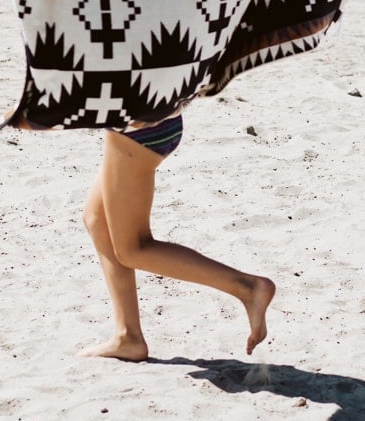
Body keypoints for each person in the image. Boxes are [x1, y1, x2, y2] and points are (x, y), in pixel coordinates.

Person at [80, 113, 275, 361]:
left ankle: (249, 288)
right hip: (157, 121)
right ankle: (128, 337)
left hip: (135, 129)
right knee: (97, 219)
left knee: (133, 249)